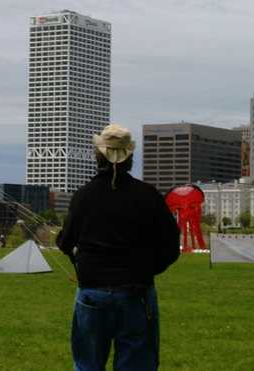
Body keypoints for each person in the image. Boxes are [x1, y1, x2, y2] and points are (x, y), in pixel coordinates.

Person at [57, 124, 180, 371]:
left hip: (92, 291)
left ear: (98, 155)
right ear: (129, 157)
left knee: (87, 365)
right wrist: (148, 269)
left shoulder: (84, 195)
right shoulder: (148, 195)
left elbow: (65, 242)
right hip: (136, 292)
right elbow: (170, 244)